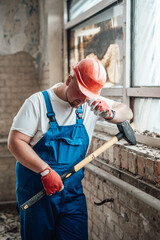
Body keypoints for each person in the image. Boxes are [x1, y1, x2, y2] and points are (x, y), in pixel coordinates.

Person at [8, 58, 133, 240]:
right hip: (38, 192)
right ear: (69, 80)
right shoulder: (37, 103)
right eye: (80, 93)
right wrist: (44, 171)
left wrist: (110, 113)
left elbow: (127, 111)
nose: (82, 100)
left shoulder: (90, 104)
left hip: (72, 195)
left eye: (88, 96)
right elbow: (15, 142)